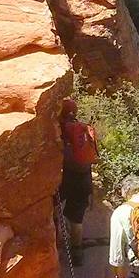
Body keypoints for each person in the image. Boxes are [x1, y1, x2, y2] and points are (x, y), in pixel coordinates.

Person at [59, 99, 98, 262]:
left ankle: (53, 245)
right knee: (77, 218)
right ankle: (77, 252)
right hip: (84, 178)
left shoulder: (62, 128)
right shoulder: (85, 129)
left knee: (53, 209)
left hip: (66, 177)